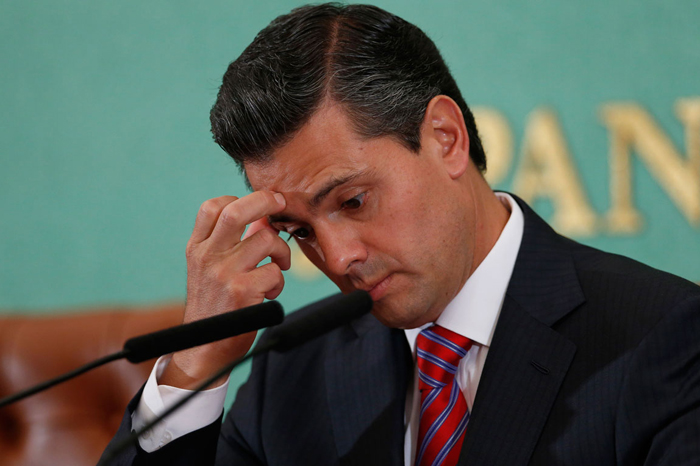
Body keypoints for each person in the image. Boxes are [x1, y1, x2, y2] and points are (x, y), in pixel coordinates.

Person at [101, 3, 700, 465]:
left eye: (353, 201)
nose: (338, 258)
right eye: (297, 229)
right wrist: (192, 367)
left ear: (445, 137)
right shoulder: (292, 375)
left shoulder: (666, 336)